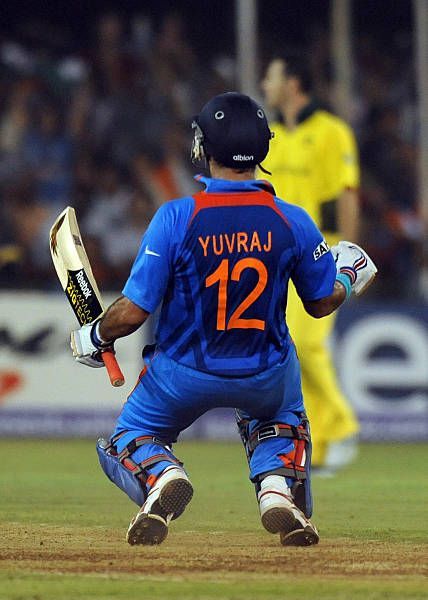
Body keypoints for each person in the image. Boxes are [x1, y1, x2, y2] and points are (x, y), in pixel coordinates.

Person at [69, 93, 376, 547]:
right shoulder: (293, 221)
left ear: (202, 147)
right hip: (263, 374)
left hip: (182, 375)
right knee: (285, 413)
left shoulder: (177, 217)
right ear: (263, 150)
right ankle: (276, 489)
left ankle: (161, 477)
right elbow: (319, 302)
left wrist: (93, 334)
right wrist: (348, 278)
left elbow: (133, 312)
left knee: (129, 435)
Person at [261, 56, 361, 472]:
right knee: (293, 351)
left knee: (309, 345)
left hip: (322, 251)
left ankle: (342, 426)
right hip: (278, 255)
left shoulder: (332, 132)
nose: (266, 84)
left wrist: (350, 256)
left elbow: (348, 194)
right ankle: (316, 447)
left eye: (272, 76)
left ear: (294, 82)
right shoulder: (272, 136)